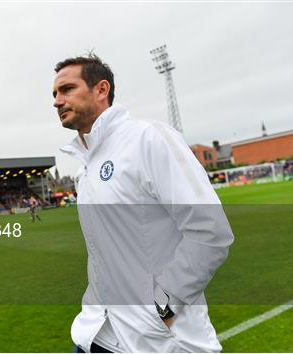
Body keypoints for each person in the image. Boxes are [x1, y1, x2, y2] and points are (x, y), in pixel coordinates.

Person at [53, 54, 234, 353]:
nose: (57, 101)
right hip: (96, 334)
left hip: (157, 341)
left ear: (101, 89)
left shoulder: (148, 138)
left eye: (67, 89)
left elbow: (210, 231)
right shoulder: (83, 168)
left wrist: (163, 308)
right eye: (55, 94)